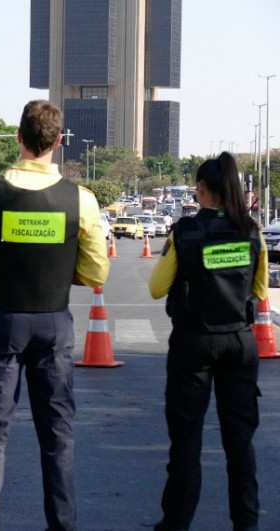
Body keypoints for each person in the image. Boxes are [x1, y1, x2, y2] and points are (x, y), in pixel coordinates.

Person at [0, 99, 109, 531]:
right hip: (54, 323)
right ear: (59, 142)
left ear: (18, 137)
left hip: (0, 322)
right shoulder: (82, 200)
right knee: (58, 435)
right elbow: (96, 273)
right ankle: (62, 525)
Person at [148, 152, 268, 531]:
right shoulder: (252, 231)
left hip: (194, 344)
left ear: (201, 188)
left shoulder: (184, 232)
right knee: (240, 444)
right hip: (240, 343)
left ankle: (177, 523)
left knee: (186, 443)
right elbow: (261, 287)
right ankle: (246, 523)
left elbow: (155, 288)